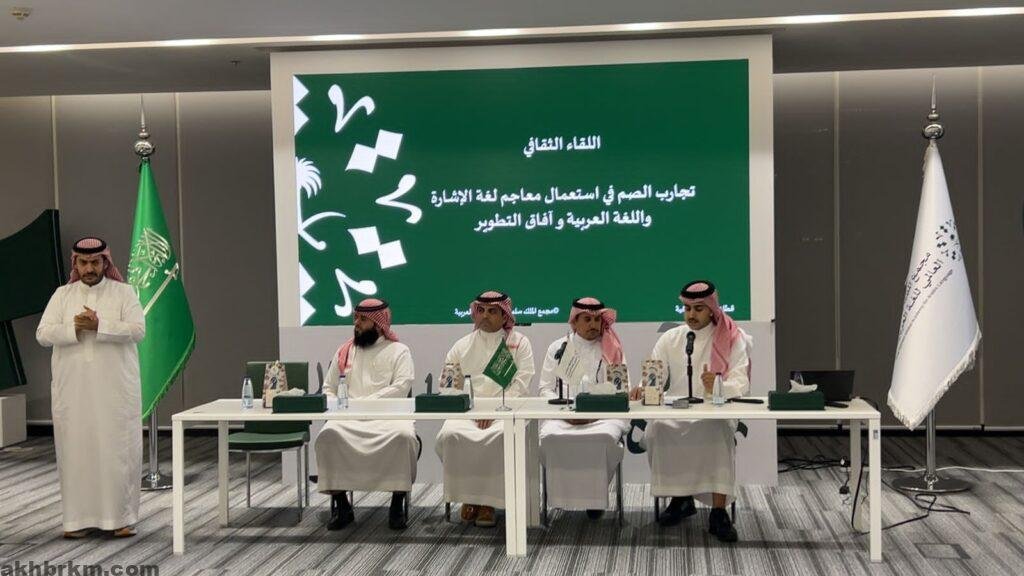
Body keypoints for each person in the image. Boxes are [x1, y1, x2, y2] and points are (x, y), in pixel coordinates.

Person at [35, 237, 145, 539]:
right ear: (76, 264)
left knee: (116, 452)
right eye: (83, 263)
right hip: (74, 392)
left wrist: (100, 325)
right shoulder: (62, 295)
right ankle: (77, 520)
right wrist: (75, 327)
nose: (89, 268)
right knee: (76, 453)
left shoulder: (124, 293)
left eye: (95, 262)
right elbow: (42, 334)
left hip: (115, 392)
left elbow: (138, 330)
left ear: (105, 262)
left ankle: (121, 518)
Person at [646, 280, 750, 542]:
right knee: (657, 428)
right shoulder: (671, 338)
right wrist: (643, 389)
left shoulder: (731, 337)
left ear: (712, 309)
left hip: (715, 410)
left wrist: (719, 385)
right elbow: (654, 376)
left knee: (716, 430)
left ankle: (718, 512)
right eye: (688, 308)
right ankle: (680, 499)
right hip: (676, 409)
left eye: (699, 309)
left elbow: (742, 381)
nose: (691, 314)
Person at [435, 291, 535, 528]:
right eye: (481, 310)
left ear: (505, 316)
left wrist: (493, 412)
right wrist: (473, 411)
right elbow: (448, 385)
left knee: (499, 437)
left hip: (506, 412)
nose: (485, 316)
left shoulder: (518, 343)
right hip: (468, 413)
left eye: (492, 311)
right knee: (451, 435)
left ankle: (489, 503)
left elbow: (521, 385)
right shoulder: (462, 346)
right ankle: (469, 498)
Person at [314, 298, 417, 530]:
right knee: (328, 436)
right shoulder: (345, 351)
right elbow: (328, 387)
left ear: (379, 324)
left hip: (388, 418)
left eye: (363, 319)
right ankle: (343, 506)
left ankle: (397, 504)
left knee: (404, 437)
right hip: (348, 419)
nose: (356, 323)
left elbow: (402, 386)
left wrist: (366, 404)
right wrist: (338, 405)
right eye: (356, 318)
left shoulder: (399, 351)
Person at [537, 297, 631, 519]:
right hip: (563, 416)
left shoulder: (612, 348)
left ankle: (594, 498)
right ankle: (561, 498)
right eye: (587, 319)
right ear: (574, 322)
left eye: (597, 320)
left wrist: (592, 414)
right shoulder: (558, 348)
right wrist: (567, 412)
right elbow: (545, 389)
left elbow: (622, 390)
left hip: (603, 416)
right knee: (550, 437)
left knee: (605, 438)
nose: (593, 325)